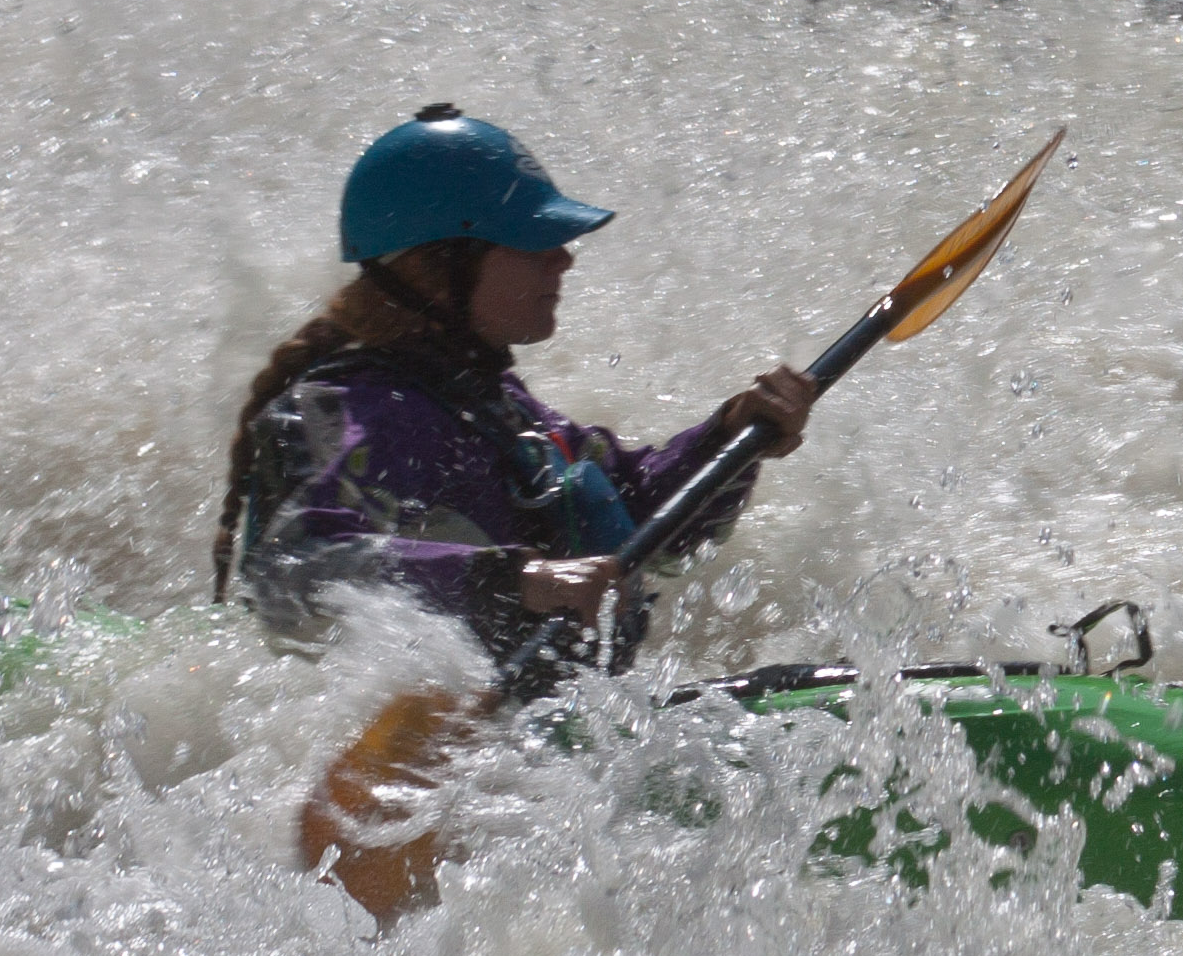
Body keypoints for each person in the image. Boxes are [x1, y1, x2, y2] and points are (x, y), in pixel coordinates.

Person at [213, 105, 819, 660]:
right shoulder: (360, 413)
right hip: (428, 732)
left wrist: (731, 439)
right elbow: (294, 571)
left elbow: (643, 521)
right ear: (441, 265)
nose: (563, 258)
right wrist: (513, 580)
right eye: (531, 241)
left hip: (543, 727)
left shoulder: (500, 413)